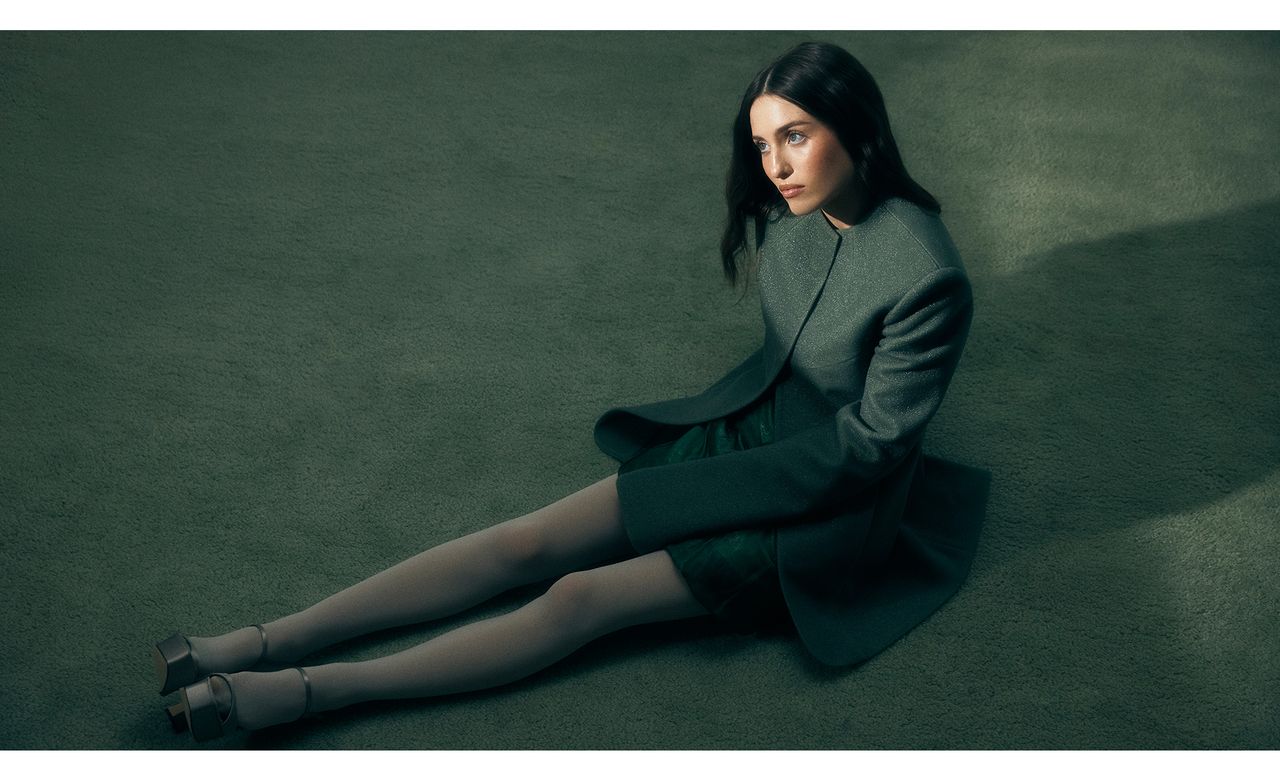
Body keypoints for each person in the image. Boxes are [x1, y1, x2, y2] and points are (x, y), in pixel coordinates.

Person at [153, 40, 982, 743]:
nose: (775, 169)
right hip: (754, 433)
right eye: (763, 145)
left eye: (795, 138)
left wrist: (701, 491)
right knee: (525, 543)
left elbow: (870, 448)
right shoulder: (796, 212)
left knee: (581, 597)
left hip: (826, 505)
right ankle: (261, 642)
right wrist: (700, 471)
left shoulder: (927, 274)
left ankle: (306, 693)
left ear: (856, 124)